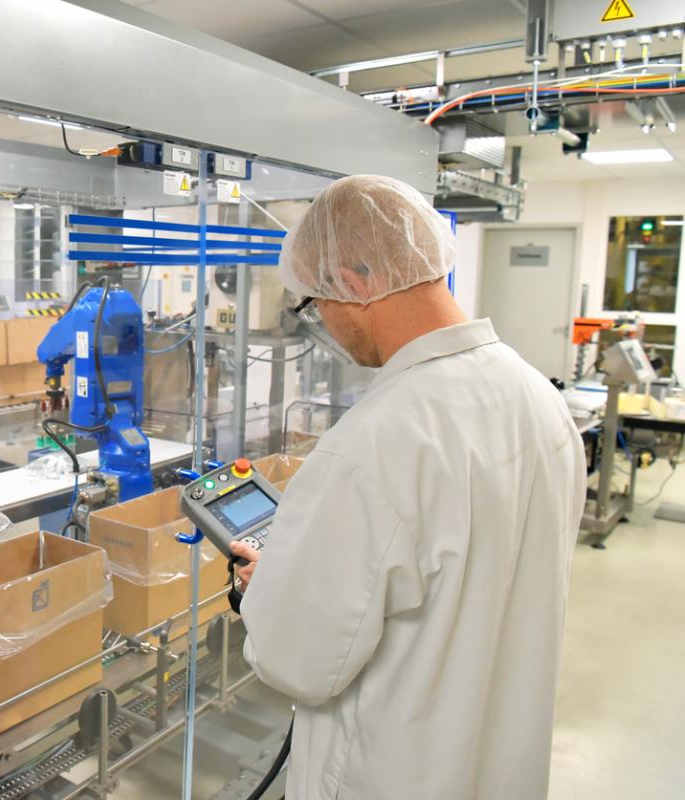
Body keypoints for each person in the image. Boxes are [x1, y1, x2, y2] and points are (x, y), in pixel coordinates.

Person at [231, 175, 586, 800]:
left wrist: (271, 592)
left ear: (354, 282)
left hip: (387, 774)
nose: (328, 328)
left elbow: (299, 661)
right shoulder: (537, 398)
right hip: (500, 767)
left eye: (315, 302)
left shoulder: (370, 446)